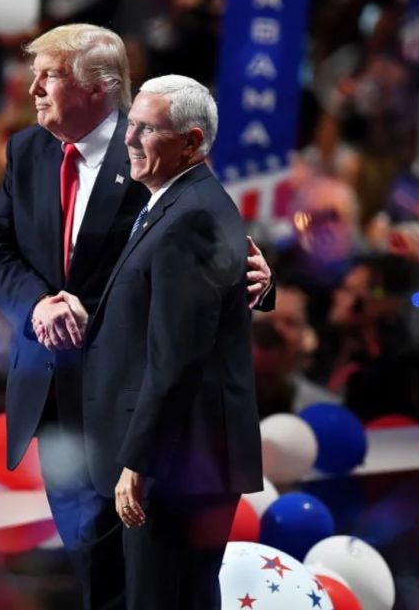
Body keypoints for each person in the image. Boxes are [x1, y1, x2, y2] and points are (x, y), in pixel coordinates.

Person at [0, 24, 273, 609]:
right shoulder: (27, 150)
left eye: (50, 75)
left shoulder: (152, 151)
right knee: (94, 573)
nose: (32, 89)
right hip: (56, 396)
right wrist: (37, 304)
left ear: (101, 88)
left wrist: (260, 281)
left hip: (140, 405)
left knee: (154, 585)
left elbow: (207, 248)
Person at [80, 75, 262, 608]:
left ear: (192, 142)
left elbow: (177, 355)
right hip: (173, 456)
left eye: (148, 128)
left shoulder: (194, 216)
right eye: (130, 124)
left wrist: (139, 461)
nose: (130, 139)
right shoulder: (176, 202)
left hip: (176, 462)